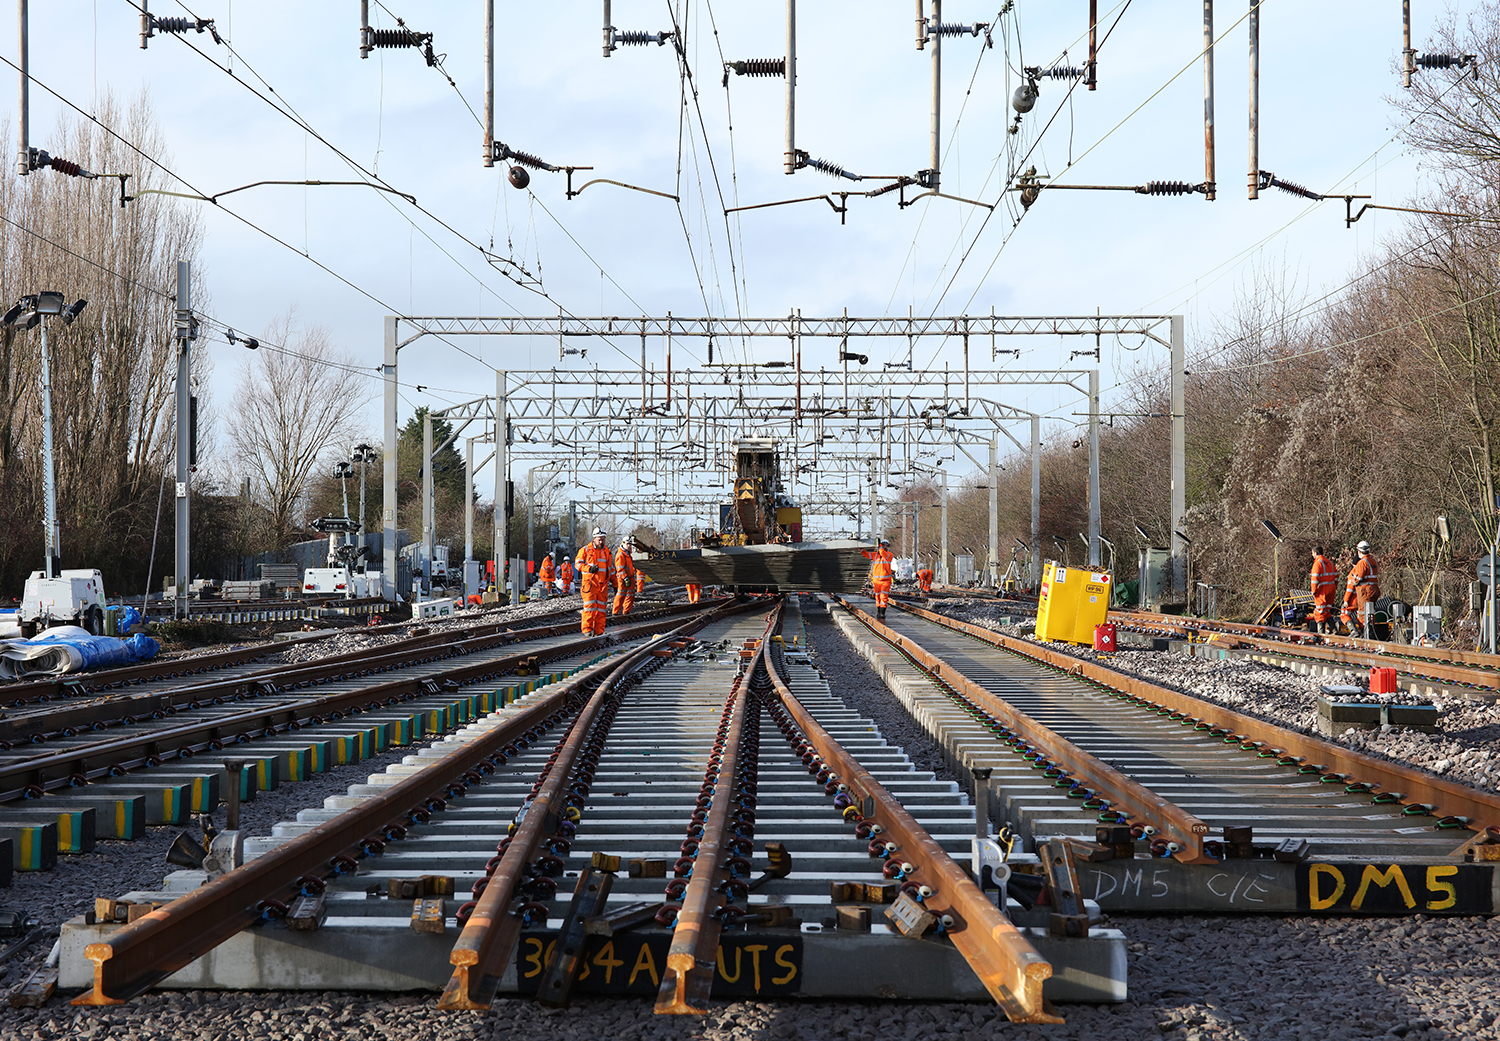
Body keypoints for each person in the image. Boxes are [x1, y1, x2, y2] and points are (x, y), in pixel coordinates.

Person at [575, 528, 616, 635]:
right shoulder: (585, 550)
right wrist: (589, 568)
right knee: (589, 608)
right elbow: (577, 564)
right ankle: (587, 630)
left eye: (603, 539)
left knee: (602, 610)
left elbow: (611, 569)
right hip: (590, 585)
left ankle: (599, 631)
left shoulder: (606, 551)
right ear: (594, 539)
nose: (601, 542)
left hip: (602, 586)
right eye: (599, 540)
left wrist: (616, 584)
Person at [1345, 540, 1381, 638]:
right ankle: (1370, 633)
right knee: (1370, 613)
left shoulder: (1362, 563)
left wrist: (1353, 575)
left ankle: (1366, 634)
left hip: (1365, 592)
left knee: (1363, 614)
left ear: (1359, 551)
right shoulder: (1374, 561)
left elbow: (1357, 579)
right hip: (1375, 590)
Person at [862, 538, 895, 621]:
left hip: (886, 581)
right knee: (877, 597)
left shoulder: (889, 555)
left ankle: (882, 613)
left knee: (883, 597)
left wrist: (880, 547)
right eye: (883, 545)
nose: (884, 547)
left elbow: (883, 553)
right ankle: (879, 611)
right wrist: (860, 548)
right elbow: (865, 554)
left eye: (886, 545)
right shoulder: (875, 555)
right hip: (876, 581)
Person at [1308, 545, 1337, 634]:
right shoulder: (1330, 563)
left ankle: (1321, 633)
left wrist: (1314, 591)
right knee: (1327, 610)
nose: (1312, 555)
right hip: (1331, 590)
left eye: (1312, 553)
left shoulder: (1317, 563)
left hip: (1322, 591)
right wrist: (1334, 587)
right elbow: (1336, 577)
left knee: (1319, 611)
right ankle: (1333, 629)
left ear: (1316, 553)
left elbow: (1314, 579)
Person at [613, 538, 638, 616]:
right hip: (622, 578)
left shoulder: (628, 553)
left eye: (630, 544)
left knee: (630, 595)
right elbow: (620, 568)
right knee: (621, 595)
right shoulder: (621, 554)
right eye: (627, 544)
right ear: (623, 543)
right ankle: (615, 612)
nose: (629, 545)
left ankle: (626, 612)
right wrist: (625, 578)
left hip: (630, 577)